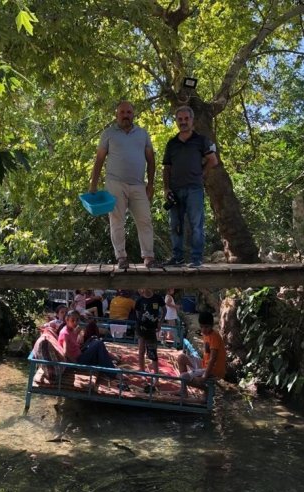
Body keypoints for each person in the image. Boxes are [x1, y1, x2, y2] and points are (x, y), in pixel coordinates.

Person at [89, 100, 159, 269]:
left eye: (128, 112)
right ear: (116, 115)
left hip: (138, 185)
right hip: (115, 184)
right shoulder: (108, 133)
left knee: (145, 220)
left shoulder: (142, 134)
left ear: (133, 114)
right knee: (117, 221)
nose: (125, 115)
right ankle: (121, 257)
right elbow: (99, 159)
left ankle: (148, 257)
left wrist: (150, 184)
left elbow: (151, 160)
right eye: (122, 112)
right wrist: (93, 184)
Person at [162, 105, 218, 268]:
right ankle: (177, 257)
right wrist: (166, 188)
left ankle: (196, 259)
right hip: (175, 190)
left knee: (196, 225)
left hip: (194, 188)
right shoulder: (172, 143)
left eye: (186, 118)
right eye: (180, 119)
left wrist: (201, 174)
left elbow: (213, 160)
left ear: (192, 120)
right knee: (175, 225)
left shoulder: (201, 140)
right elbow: (167, 168)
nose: (183, 122)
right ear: (176, 121)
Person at [58, 310, 117, 375]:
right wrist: (76, 364)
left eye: (77, 320)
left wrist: (78, 334)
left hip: (80, 354)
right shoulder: (65, 333)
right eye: (72, 320)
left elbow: (74, 343)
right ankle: (113, 373)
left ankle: (108, 364)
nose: (75, 322)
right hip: (78, 360)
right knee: (98, 343)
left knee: (94, 340)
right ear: (67, 320)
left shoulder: (71, 329)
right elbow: (65, 352)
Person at [177, 311, 226, 389]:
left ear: (212, 326)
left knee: (183, 377)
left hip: (213, 370)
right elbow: (207, 353)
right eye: (201, 327)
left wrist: (204, 376)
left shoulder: (214, 337)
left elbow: (212, 359)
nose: (203, 330)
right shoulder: (206, 334)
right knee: (181, 358)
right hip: (204, 365)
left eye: (206, 327)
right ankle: (183, 391)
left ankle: (206, 389)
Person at [134, 288, 165, 391]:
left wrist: (160, 322)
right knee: (141, 350)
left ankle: (156, 377)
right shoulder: (139, 300)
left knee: (153, 352)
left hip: (152, 329)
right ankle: (142, 372)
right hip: (141, 328)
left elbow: (164, 310)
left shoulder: (158, 298)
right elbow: (137, 313)